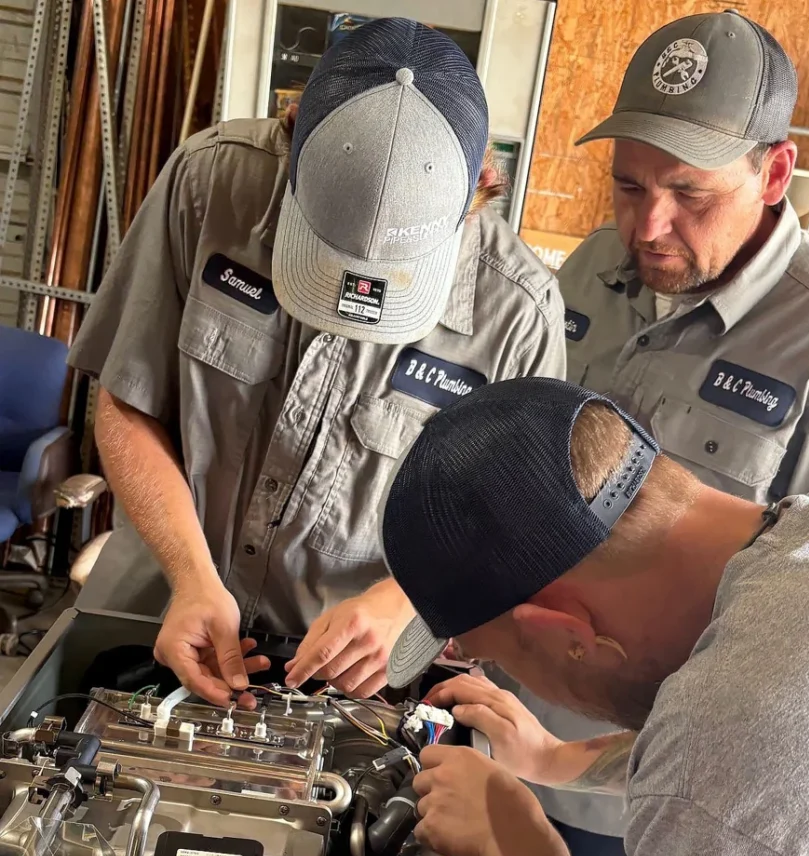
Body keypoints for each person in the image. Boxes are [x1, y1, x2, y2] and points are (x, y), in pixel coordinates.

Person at [67, 18, 565, 707]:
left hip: (345, 682)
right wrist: (189, 574)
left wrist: (411, 603)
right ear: (292, 128)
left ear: (484, 184)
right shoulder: (207, 184)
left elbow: (515, 530)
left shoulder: (519, 316)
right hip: (153, 610)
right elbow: (125, 402)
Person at [379, 375, 809, 856]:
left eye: (496, 657)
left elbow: (746, 750)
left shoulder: (742, 724)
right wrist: (556, 760)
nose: (502, 673)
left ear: (564, 633)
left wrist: (519, 845)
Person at [525, 9, 809, 856]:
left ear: (775, 173)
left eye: (690, 193)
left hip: (644, 800)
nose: (649, 226)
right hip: (511, 721)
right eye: (627, 185)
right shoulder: (594, 267)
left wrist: (582, 764)